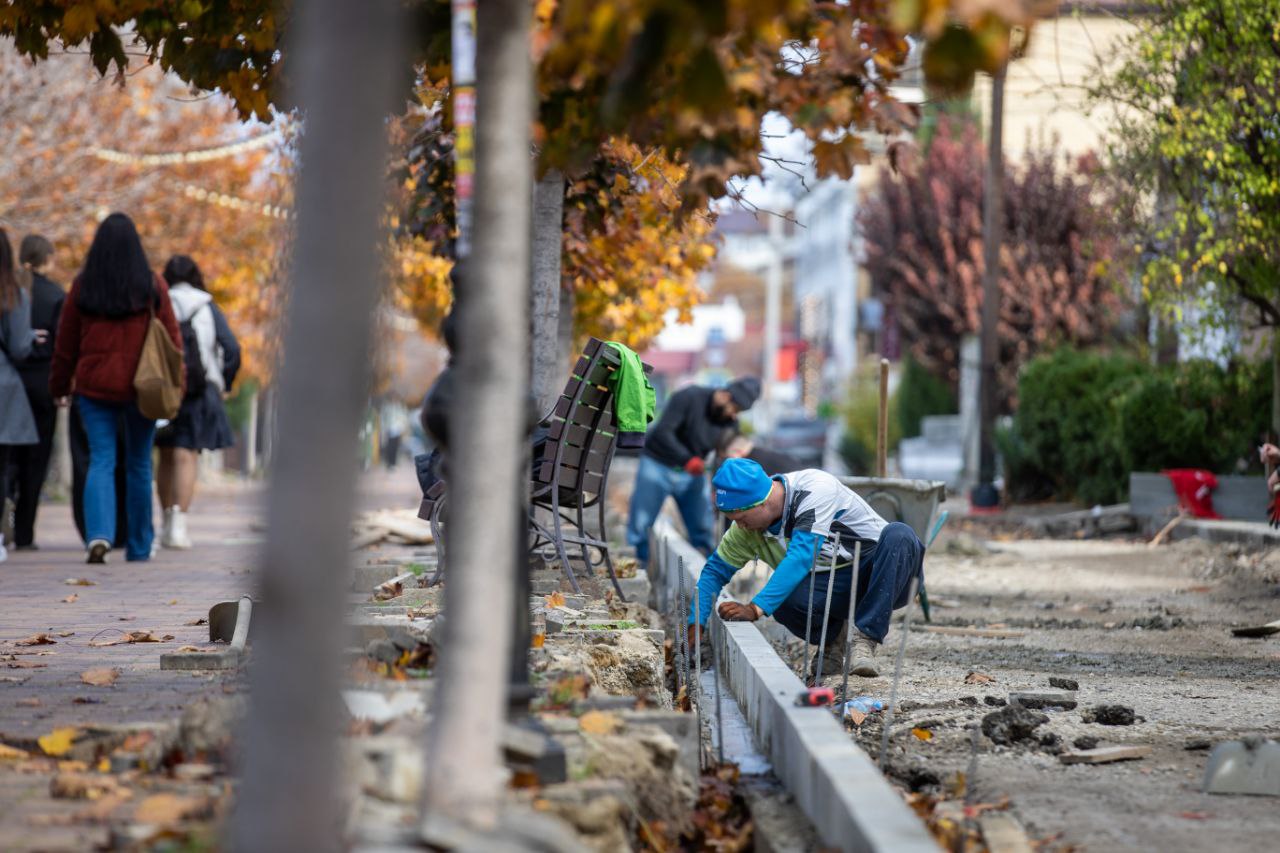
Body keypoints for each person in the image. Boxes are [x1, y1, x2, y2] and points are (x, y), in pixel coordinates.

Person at [688, 458, 925, 680]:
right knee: (784, 601)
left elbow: (801, 556)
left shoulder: (814, 489)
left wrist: (755, 608)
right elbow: (713, 572)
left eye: (742, 517)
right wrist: (696, 623)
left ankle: (864, 640)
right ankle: (834, 639)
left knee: (900, 534)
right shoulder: (745, 530)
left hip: (886, 575)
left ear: (762, 501)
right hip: (836, 586)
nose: (739, 526)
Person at [49, 213, 183, 564]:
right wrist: (177, 386)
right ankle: (139, 546)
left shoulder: (83, 286)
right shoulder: (152, 286)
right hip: (143, 387)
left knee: (101, 459)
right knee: (139, 463)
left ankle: (99, 535)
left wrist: (60, 384)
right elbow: (172, 340)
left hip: (94, 385)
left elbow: (66, 342)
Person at [626, 376, 760, 567]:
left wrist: (720, 487)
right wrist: (687, 459)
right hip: (657, 464)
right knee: (641, 522)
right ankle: (638, 566)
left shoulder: (730, 423)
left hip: (692, 474)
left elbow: (723, 457)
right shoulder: (688, 397)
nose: (734, 415)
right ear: (724, 395)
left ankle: (706, 575)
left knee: (703, 526)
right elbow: (664, 431)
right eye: (735, 408)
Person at [154, 255, 240, 549]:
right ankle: (179, 526)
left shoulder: (158, 302)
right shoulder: (207, 306)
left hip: (163, 389)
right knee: (186, 455)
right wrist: (224, 382)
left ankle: (165, 521)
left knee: (164, 455)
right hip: (200, 390)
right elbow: (231, 348)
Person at [9, 235, 64, 550]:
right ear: (48, 258)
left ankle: (5, 517)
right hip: (43, 384)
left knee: (8, 457)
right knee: (36, 459)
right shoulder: (56, 295)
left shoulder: (9, 292)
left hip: (10, 383)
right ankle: (26, 531)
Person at [0, 227, 42, 563]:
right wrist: (30, 337)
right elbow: (18, 346)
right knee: (2, 468)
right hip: (3, 387)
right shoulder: (13, 294)